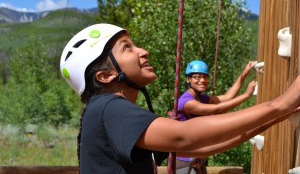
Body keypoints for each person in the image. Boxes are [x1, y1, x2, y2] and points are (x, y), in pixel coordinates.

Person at [60, 23, 300, 174]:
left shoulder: (109, 114)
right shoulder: (107, 108)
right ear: (105, 75)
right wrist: (279, 104)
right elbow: (184, 136)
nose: (143, 51)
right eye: (127, 48)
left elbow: (202, 146)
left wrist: (274, 116)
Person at [176, 60, 256, 174]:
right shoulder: (186, 102)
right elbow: (217, 109)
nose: (202, 80)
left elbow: (229, 96)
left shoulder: (202, 98)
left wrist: (245, 73)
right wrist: (246, 95)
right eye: (197, 77)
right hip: (185, 159)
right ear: (188, 79)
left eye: (205, 77)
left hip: (198, 156)